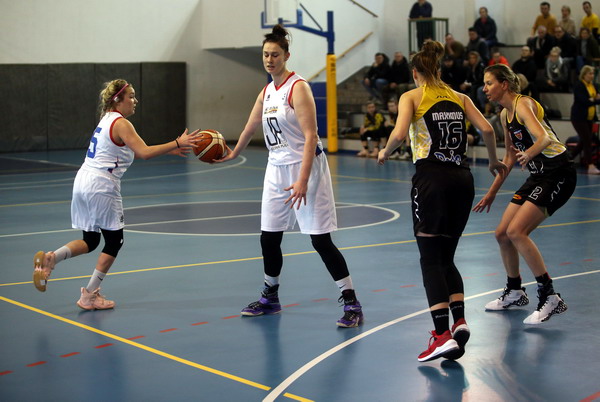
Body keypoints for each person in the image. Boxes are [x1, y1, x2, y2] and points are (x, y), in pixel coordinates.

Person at [215, 24, 363, 328]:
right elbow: (250, 127)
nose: (269, 59)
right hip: (276, 168)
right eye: (266, 55)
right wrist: (232, 152)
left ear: (286, 56)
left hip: (306, 167)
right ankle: (270, 296)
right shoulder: (267, 91)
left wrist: (303, 180)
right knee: (269, 237)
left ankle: (352, 302)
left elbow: (311, 136)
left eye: (275, 55)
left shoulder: (298, 88)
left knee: (320, 240)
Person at [377, 41, 507, 362]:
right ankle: (459, 321)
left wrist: (385, 151)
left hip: (432, 179)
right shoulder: (460, 97)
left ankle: (441, 335)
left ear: (415, 72)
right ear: (438, 69)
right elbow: (487, 129)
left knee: (430, 260)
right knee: (446, 257)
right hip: (463, 180)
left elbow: (399, 133)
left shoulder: (412, 96)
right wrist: (493, 161)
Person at [32, 79, 202, 309]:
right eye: (131, 96)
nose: (135, 100)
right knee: (114, 242)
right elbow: (144, 152)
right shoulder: (122, 123)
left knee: (91, 240)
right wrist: (177, 142)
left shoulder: (107, 119)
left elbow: (134, 149)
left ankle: (51, 258)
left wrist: (170, 149)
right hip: (102, 185)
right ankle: (89, 295)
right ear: (117, 100)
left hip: (83, 180)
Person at [474, 64, 577, 325]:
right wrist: (491, 192)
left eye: (489, 83)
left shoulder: (523, 104)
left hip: (558, 172)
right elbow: (509, 157)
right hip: (539, 175)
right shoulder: (504, 114)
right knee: (502, 233)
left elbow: (543, 138)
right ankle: (515, 291)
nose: (484, 88)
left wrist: (529, 153)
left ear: (504, 84)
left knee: (516, 232)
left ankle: (550, 296)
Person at [570, 65, 600, 174]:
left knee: (583, 141)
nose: (591, 76)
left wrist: (593, 100)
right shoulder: (579, 85)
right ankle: (590, 165)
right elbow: (584, 101)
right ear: (584, 74)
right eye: (589, 73)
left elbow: (597, 99)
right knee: (587, 140)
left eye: (592, 73)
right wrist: (594, 100)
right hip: (579, 117)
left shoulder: (594, 85)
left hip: (589, 118)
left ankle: (566, 160)